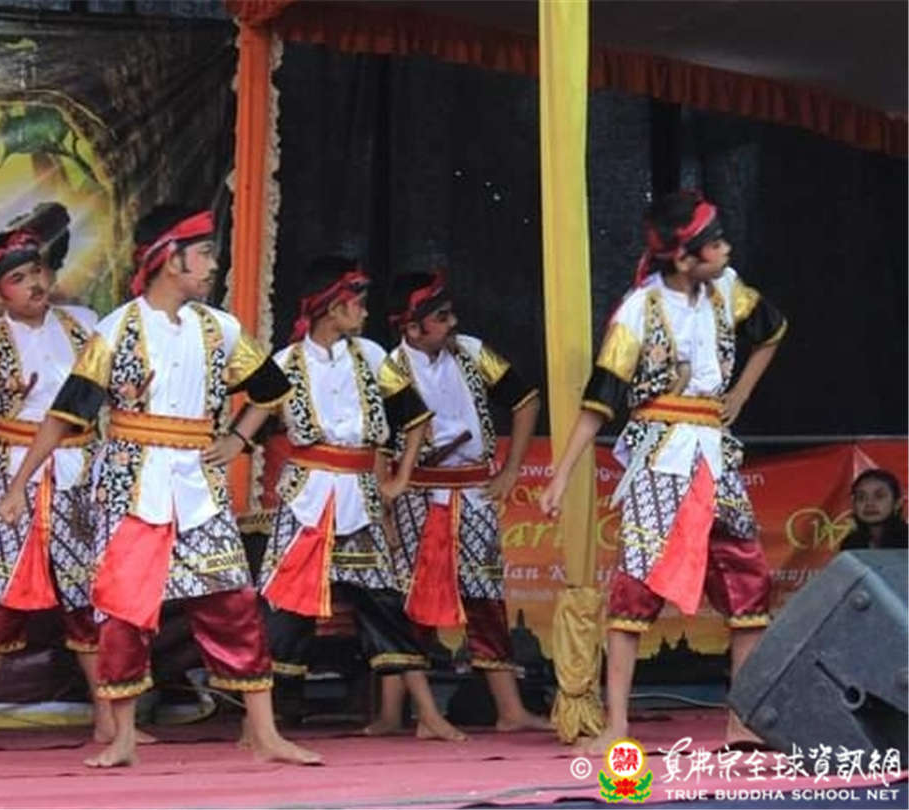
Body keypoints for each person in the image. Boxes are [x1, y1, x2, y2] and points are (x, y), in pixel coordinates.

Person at [0, 205, 321, 768]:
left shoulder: (219, 328)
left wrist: (238, 440)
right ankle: (123, 736)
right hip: (131, 482)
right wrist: (18, 484)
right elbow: (66, 414)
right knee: (123, 610)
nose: (214, 265)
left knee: (234, 602)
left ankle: (265, 735)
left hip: (199, 484)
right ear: (170, 259)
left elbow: (273, 389)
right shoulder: (117, 329)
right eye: (205, 254)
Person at [538, 190, 787, 752]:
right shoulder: (639, 310)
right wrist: (561, 476)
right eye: (714, 243)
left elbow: (772, 330)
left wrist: (741, 393)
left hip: (714, 454)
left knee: (748, 581)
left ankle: (741, 722)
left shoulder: (728, 289)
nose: (726, 249)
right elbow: (600, 399)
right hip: (660, 457)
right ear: (682, 257)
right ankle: (617, 726)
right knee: (636, 586)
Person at [257, 256, 466, 743]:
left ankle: (428, 715)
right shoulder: (284, 364)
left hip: (360, 499)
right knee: (282, 607)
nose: (366, 312)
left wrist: (398, 480)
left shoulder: (371, 357)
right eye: (358, 303)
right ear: (333, 308)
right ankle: (258, 724)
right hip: (306, 502)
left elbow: (415, 419)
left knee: (385, 604)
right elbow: (252, 423)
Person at [0, 217, 111, 751]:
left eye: (36, 272)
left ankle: (110, 721)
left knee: (89, 596)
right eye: (18, 279)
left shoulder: (87, 325)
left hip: (82, 474)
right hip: (11, 478)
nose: (34, 284)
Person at [370, 271, 549, 734]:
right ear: (413, 328)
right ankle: (393, 713)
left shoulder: (472, 351)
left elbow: (526, 400)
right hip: (418, 493)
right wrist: (385, 506)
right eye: (442, 317)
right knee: (412, 598)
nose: (453, 323)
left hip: (474, 488)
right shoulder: (390, 370)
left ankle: (509, 711)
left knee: (486, 596)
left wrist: (510, 470)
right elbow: (382, 445)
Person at [840, 468, 908, 550]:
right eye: (861, 497)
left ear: (897, 503)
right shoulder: (851, 543)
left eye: (879, 496)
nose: (869, 503)